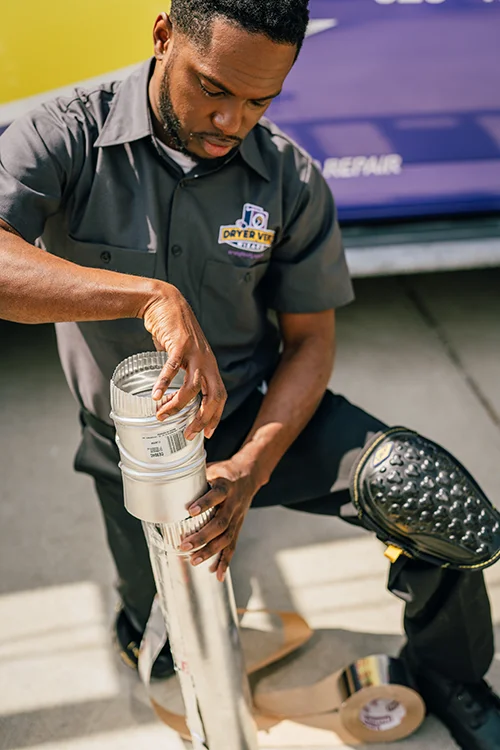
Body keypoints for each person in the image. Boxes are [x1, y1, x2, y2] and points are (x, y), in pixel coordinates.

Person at [0, 1, 499, 747]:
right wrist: (148, 296)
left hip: (257, 411)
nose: (232, 121)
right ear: (165, 35)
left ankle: (450, 674)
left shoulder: (289, 179)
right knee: (167, 646)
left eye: (260, 99)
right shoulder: (64, 132)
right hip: (131, 440)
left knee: (423, 496)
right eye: (213, 89)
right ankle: (141, 615)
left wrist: (251, 467)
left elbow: (311, 344)